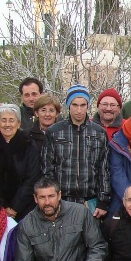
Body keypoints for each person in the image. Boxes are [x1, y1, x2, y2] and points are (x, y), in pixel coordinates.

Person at [41, 84, 111, 217]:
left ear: (88, 105)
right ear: (68, 105)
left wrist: (103, 201)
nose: (79, 110)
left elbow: (104, 169)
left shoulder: (99, 133)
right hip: (62, 199)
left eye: (83, 105)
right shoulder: (55, 132)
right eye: (75, 105)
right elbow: (47, 169)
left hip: (89, 199)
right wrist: (50, 198)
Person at [0, 103, 40, 220]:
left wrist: (15, 207)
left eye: (11, 120)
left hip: (24, 208)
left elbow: (32, 178)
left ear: (18, 123)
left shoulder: (29, 145)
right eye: (4, 120)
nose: (7, 124)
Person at [29, 93, 61, 158]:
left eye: (51, 110)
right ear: (36, 113)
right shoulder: (28, 137)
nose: (47, 114)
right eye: (43, 110)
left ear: (57, 114)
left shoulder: (63, 135)